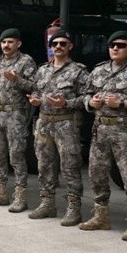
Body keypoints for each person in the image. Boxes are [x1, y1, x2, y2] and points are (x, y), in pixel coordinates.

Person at [79, 30, 127, 240]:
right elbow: (86, 93)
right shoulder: (99, 70)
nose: (116, 49)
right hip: (100, 129)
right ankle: (101, 215)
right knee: (97, 174)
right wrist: (90, 103)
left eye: (121, 45)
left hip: (125, 130)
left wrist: (122, 103)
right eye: (113, 45)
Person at [26, 30, 91, 225]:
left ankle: (74, 208)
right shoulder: (43, 70)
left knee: (69, 167)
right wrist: (35, 100)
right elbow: (36, 91)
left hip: (66, 123)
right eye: (55, 44)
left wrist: (67, 103)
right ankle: (47, 203)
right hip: (45, 122)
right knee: (44, 165)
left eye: (63, 44)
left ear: (70, 46)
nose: (58, 47)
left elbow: (87, 98)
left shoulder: (79, 71)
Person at [0, 28, 37, 212]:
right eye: (3, 42)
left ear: (18, 44)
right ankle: (0, 192)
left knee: (17, 155)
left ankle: (20, 195)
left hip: (15, 115)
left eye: (10, 42)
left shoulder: (26, 61)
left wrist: (17, 80)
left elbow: (34, 87)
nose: (6, 45)